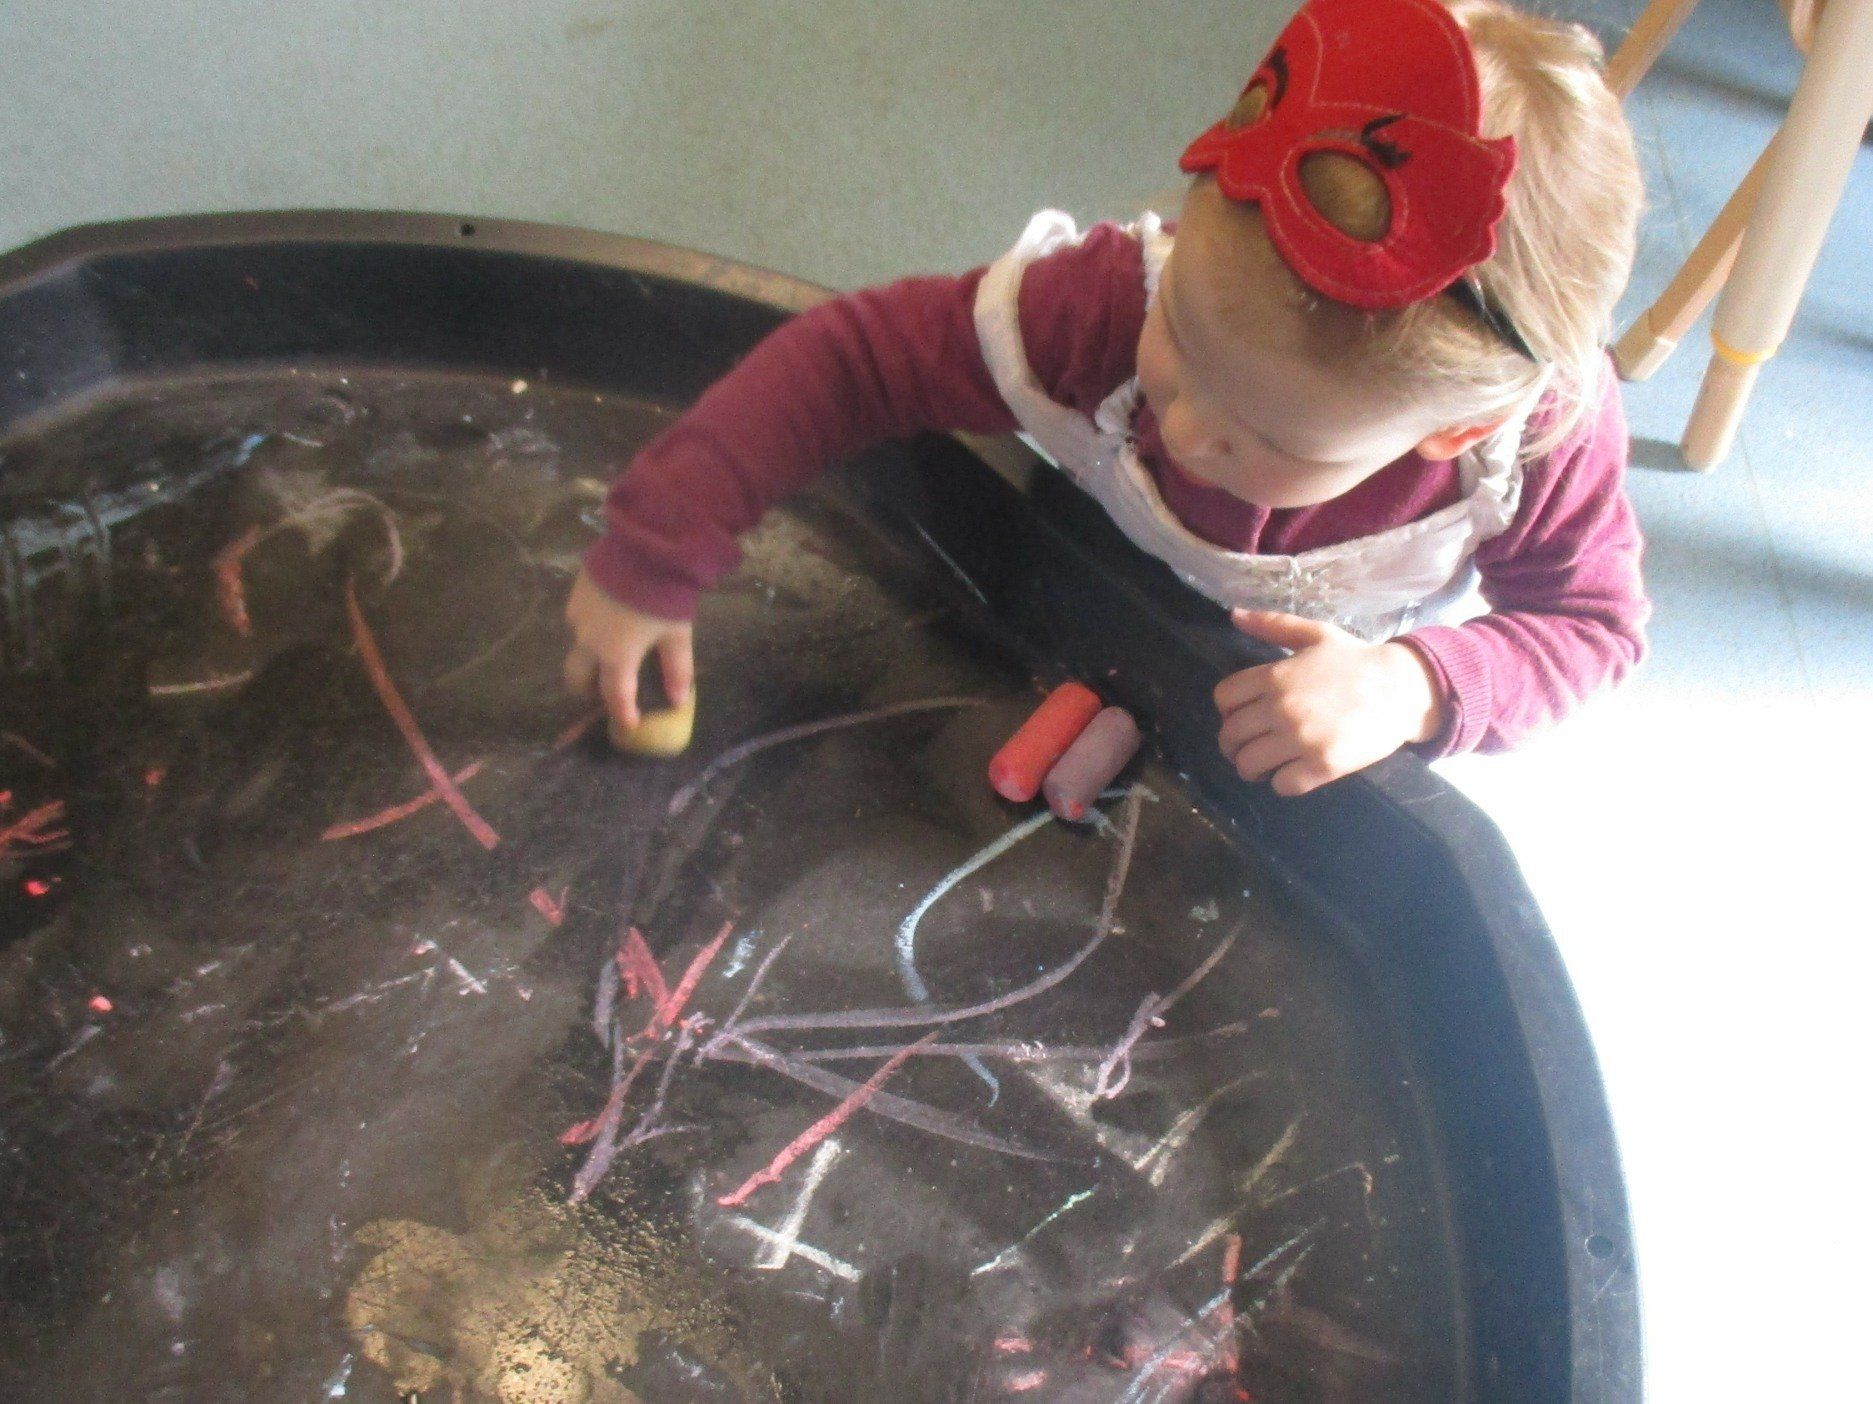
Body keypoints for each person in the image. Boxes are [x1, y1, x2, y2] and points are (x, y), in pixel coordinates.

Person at [564, 0, 1648, 796]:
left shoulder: (1538, 446)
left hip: (1264, 700)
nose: (1180, 426)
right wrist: (658, 549)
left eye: (1261, 435)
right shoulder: (1099, 305)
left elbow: (1590, 630)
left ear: (1452, 429)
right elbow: (854, 360)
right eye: (1178, 337)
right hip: (1051, 591)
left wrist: (1411, 688)